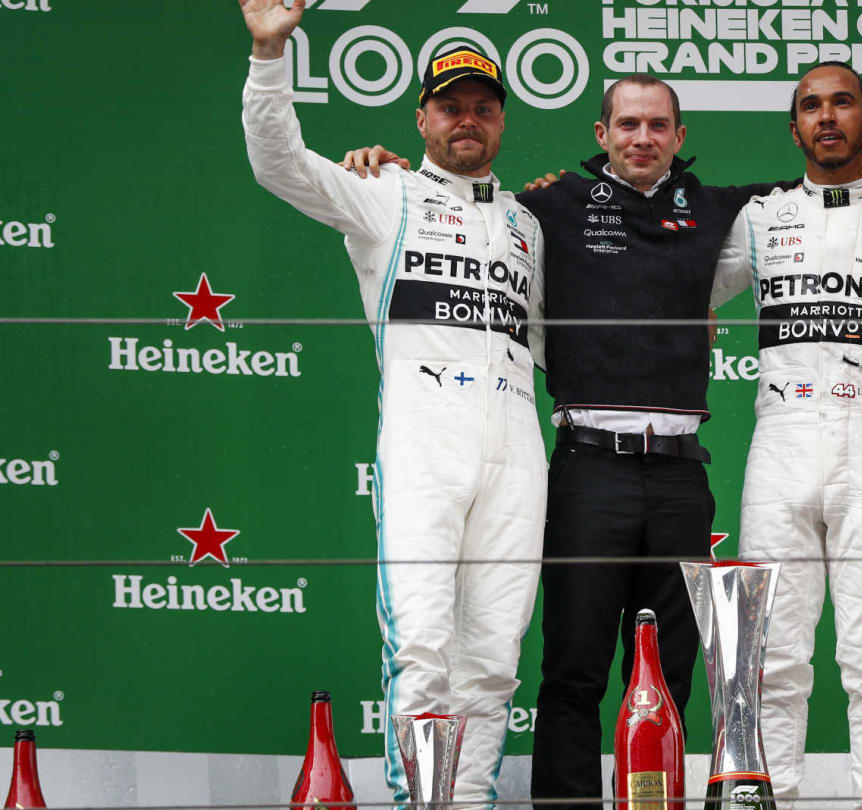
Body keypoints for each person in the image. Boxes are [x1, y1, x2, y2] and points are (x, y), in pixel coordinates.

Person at [238, 2, 546, 807]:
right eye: (450, 106)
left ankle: (467, 799)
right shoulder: (385, 192)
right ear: (423, 118)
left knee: (495, 654)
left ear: (502, 121)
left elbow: (555, 339)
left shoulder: (527, 224)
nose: (467, 120)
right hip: (425, 439)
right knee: (423, 644)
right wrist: (269, 56)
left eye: (482, 106)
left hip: (518, 443)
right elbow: (280, 164)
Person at [514, 78, 787, 809]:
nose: (642, 138)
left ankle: (654, 802)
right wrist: (378, 168)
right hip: (588, 467)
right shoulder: (550, 206)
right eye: (627, 124)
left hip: (677, 476)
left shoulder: (715, 206)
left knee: (668, 667)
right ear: (600, 132)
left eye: (657, 125)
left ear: (680, 134)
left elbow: (821, 194)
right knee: (573, 666)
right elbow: (463, 209)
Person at [708, 62, 862, 808]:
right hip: (780, 438)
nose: (827, 117)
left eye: (843, 103)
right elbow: (674, 282)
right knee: (771, 657)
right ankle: (770, 797)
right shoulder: (760, 217)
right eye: (811, 106)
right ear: (794, 129)